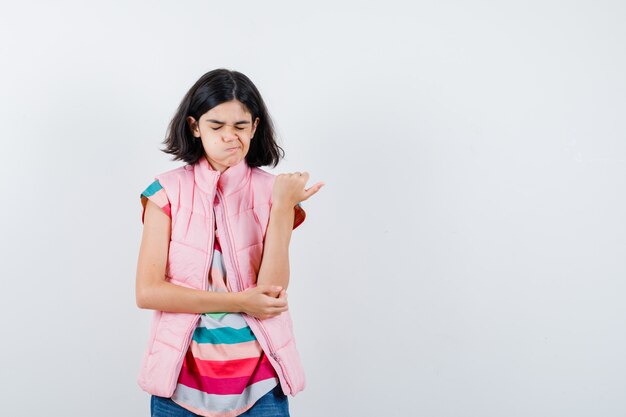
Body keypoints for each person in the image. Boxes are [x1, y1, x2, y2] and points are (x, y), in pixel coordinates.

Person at [135, 68, 324, 417]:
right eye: (216, 126)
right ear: (195, 127)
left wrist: (283, 206)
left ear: (255, 127)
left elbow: (271, 294)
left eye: (240, 126)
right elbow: (148, 292)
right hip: (179, 385)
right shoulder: (165, 192)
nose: (229, 137)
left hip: (261, 383)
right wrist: (240, 301)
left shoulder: (275, 193)